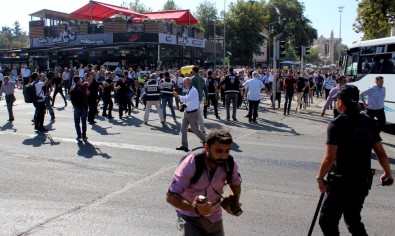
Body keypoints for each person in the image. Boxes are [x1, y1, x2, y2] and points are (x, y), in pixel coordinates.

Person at [316, 84, 393, 236]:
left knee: (327, 221)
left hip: (341, 181)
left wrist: (320, 178)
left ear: (340, 102)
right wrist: (388, 173)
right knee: (352, 219)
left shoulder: (336, 124)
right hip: (362, 180)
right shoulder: (368, 121)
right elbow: (381, 153)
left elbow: (329, 158)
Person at [166, 128, 242, 236]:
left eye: (227, 151)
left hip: (214, 217)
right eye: (219, 151)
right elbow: (171, 196)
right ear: (207, 147)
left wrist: (235, 199)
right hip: (188, 216)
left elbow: (235, 183)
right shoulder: (191, 163)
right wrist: (195, 208)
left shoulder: (229, 163)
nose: (224, 156)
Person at [174, 77, 206, 152]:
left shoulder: (193, 90)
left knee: (195, 130)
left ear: (189, 83)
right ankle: (184, 145)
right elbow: (187, 99)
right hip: (187, 112)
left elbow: (187, 98)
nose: (183, 84)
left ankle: (206, 140)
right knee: (183, 129)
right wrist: (184, 105)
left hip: (192, 113)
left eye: (184, 83)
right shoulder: (190, 89)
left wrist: (178, 96)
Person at [70, 76, 89, 141]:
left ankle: (79, 136)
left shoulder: (72, 89)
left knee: (77, 122)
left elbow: (71, 99)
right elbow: (87, 94)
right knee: (84, 122)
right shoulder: (83, 87)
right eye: (80, 80)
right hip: (83, 107)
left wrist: (74, 105)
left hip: (76, 107)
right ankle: (84, 135)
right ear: (78, 81)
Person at [191, 66, 208, 133]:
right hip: (201, 97)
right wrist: (207, 98)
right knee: (195, 113)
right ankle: (193, 127)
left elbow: (190, 89)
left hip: (195, 98)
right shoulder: (202, 79)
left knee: (198, 113)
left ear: (193, 71)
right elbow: (205, 89)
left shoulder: (192, 79)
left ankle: (202, 129)